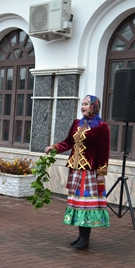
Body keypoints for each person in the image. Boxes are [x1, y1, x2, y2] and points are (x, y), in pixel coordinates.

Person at [44, 95, 110, 250]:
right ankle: (80, 235)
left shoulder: (101, 126)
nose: (83, 107)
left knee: (86, 204)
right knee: (78, 203)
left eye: (86, 104)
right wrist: (54, 148)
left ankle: (85, 238)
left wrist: (102, 171)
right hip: (76, 170)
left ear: (94, 106)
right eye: (82, 104)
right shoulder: (76, 123)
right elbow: (68, 142)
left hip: (90, 171)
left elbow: (103, 150)